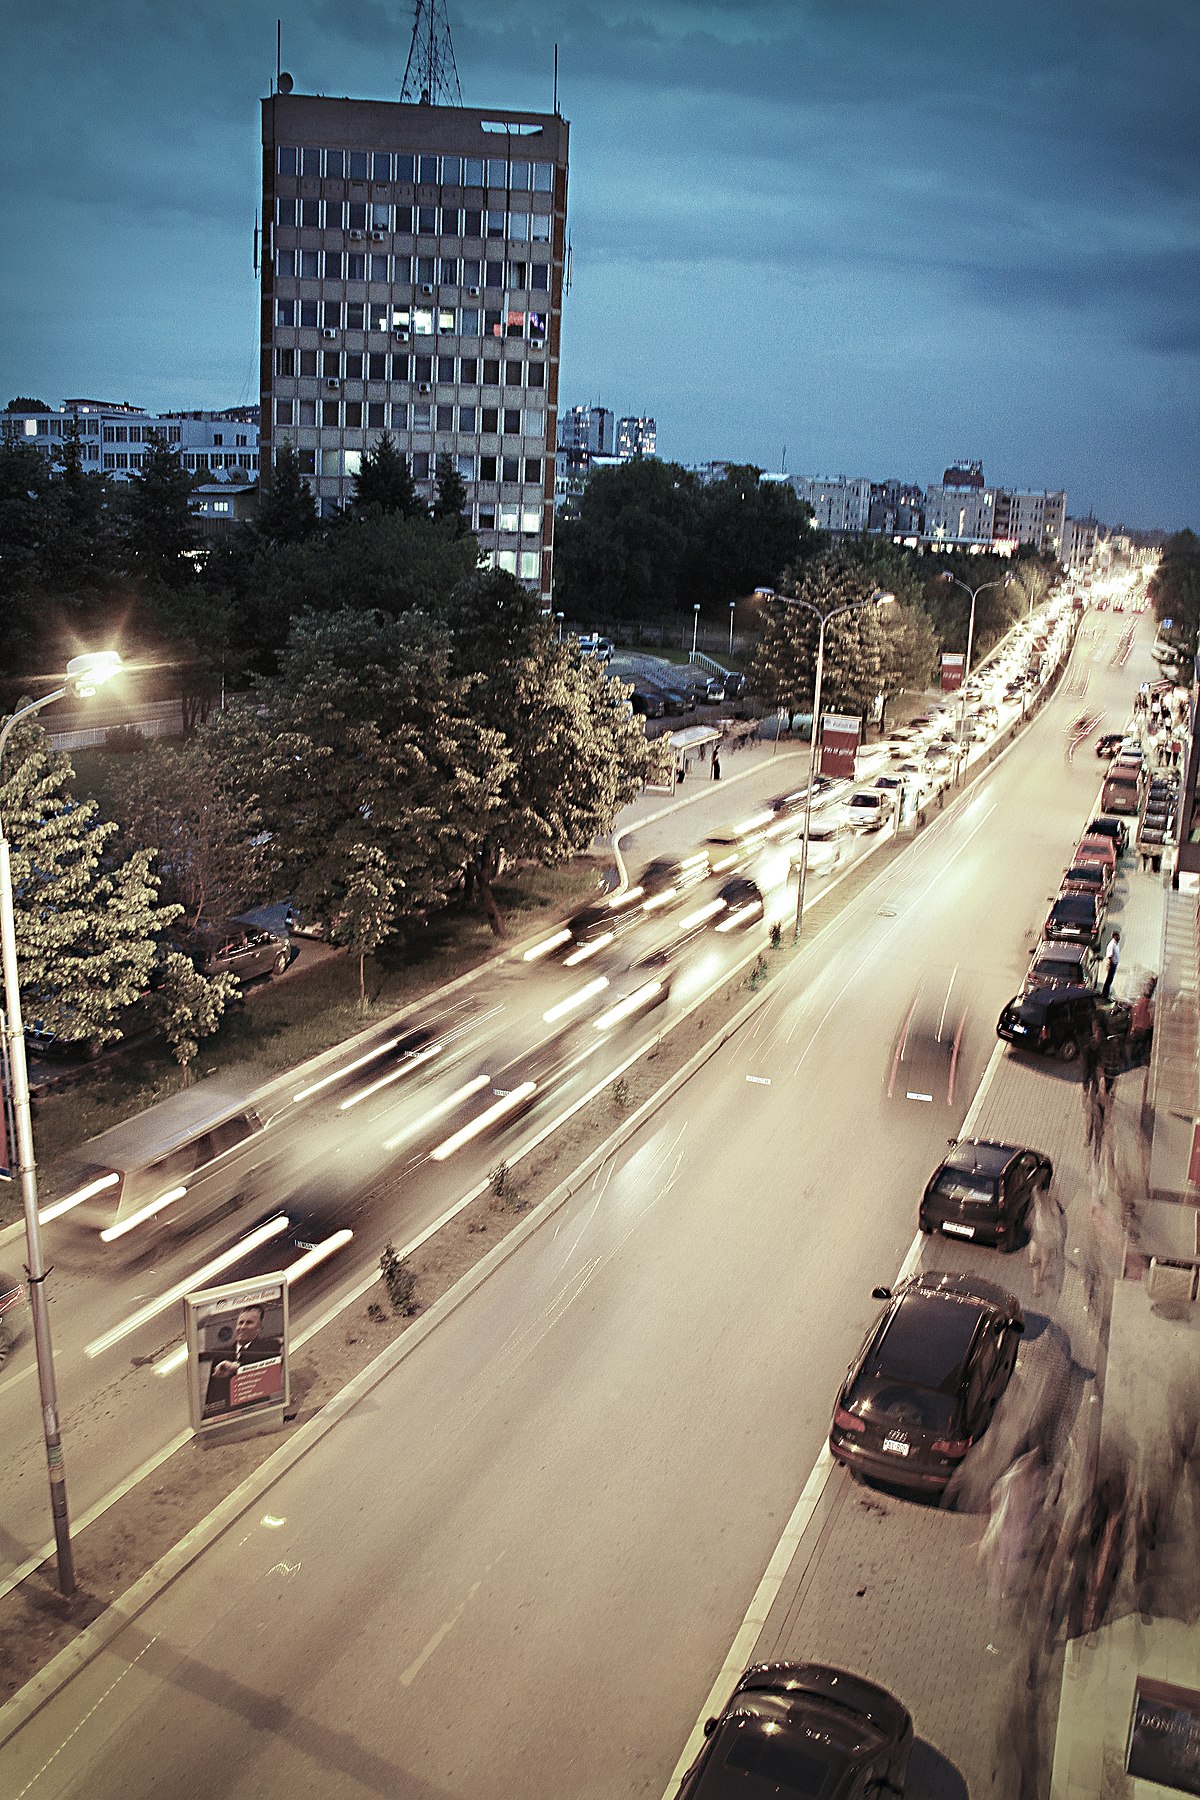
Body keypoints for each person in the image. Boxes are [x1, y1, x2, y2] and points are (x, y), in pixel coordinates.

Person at [203, 1304, 282, 1412]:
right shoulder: (221, 1354)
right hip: (225, 1413)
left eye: (249, 1323)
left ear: (260, 1328)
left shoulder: (270, 1346)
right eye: (240, 1323)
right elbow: (213, 1394)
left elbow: (268, 1371)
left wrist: (237, 1368)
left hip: (256, 1411)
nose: (243, 1327)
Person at [1101, 927, 1120, 998]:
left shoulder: (1116, 944)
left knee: (1110, 979)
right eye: (1117, 938)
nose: (1118, 939)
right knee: (1108, 979)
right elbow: (1109, 956)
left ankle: (1106, 992)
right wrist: (1113, 963)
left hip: (1114, 964)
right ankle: (1105, 993)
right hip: (1111, 964)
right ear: (1114, 937)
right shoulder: (1112, 945)